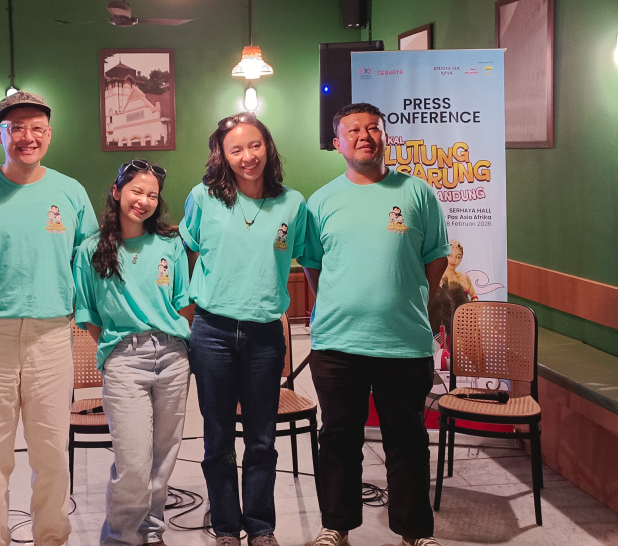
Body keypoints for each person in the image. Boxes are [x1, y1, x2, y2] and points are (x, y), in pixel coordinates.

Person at [0, 91, 95, 546]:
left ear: (49, 133)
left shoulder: (70, 191)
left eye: (37, 128)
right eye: (16, 128)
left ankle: (51, 536)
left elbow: (84, 259)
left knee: (50, 451)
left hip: (51, 334)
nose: (28, 137)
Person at [301, 103, 450, 546]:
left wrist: (403, 299)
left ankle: (415, 531)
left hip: (403, 341)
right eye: (353, 130)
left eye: (373, 128)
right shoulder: (321, 201)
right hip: (337, 343)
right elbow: (313, 266)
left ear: (385, 136)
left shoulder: (417, 193)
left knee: (406, 440)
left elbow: (436, 259)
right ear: (337, 143)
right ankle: (337, 526)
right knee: (338, 439)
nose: (364, 136)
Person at [179, 112, 311, 546]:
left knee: (261, 439)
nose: (247, 156)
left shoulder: (293, 203)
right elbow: (188, 253)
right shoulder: (203, 197)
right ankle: (225, 526)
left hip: (264, 336)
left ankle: (260, 526)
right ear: (223, 154)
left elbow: (309, 259)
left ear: (268, 147)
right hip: (212, 331)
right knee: (217, 438)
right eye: (236, 149)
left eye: (254, 146)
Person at [73, 160, 191, 546]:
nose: (143, 200)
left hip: (173, 357)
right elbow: (87, 312)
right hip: (125, 360)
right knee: (134, 464)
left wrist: (173, 338)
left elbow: (181, 303)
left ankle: (151, 531)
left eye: (152, 195)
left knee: (164, 456)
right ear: (116, 191)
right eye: (136, 191)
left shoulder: (170, 246)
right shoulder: (92, 249)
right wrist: (116, 347)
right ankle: (120, 538)